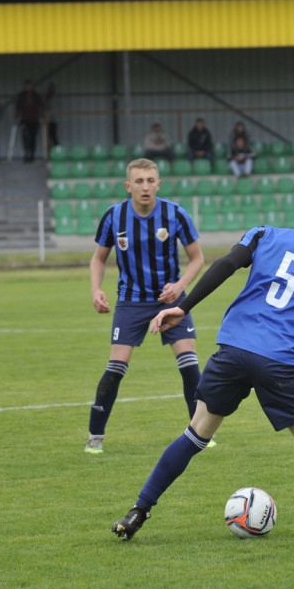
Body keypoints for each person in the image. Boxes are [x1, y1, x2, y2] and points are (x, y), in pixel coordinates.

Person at [111, 188, 294, 546]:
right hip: (280, 359)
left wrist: (183, 307)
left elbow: (224, 265)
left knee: (196, 434)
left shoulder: (264, 233)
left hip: (232, 349)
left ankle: (138, 511)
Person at [85, 158, 205, 454]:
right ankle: (94, 437)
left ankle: (201, 431)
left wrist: (179, 287)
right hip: (131, 301)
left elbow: (198, 258)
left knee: (189, 364)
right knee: (115, 369)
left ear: (159, 184)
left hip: (172, 299)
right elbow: (99, 257)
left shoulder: (175, 213)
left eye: (151, 180)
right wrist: (96, 289)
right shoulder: (114, 216)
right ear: (128, 186)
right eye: (139, 181)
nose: (145, 186)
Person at [14, 80, 45, 162]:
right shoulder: (21, 95)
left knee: (33, 137)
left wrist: (41, 117)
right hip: (25, 120)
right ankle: (26, 153)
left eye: (29, 86)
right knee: (26, 137)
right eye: (26, 86)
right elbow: (18, 107)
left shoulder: (36, 96)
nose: (28, 87)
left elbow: (41, 107)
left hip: (34, 120)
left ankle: (32, 154)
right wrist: (17, 117)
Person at [43, 82, 59, 151]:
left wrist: (49, 113)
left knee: (54, 136)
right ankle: (48, 153)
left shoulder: (55, 97)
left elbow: (54, 108)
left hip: (53, 120)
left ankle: (58, 152)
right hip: (47, 120)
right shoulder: (46, 97)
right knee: (47, 137)